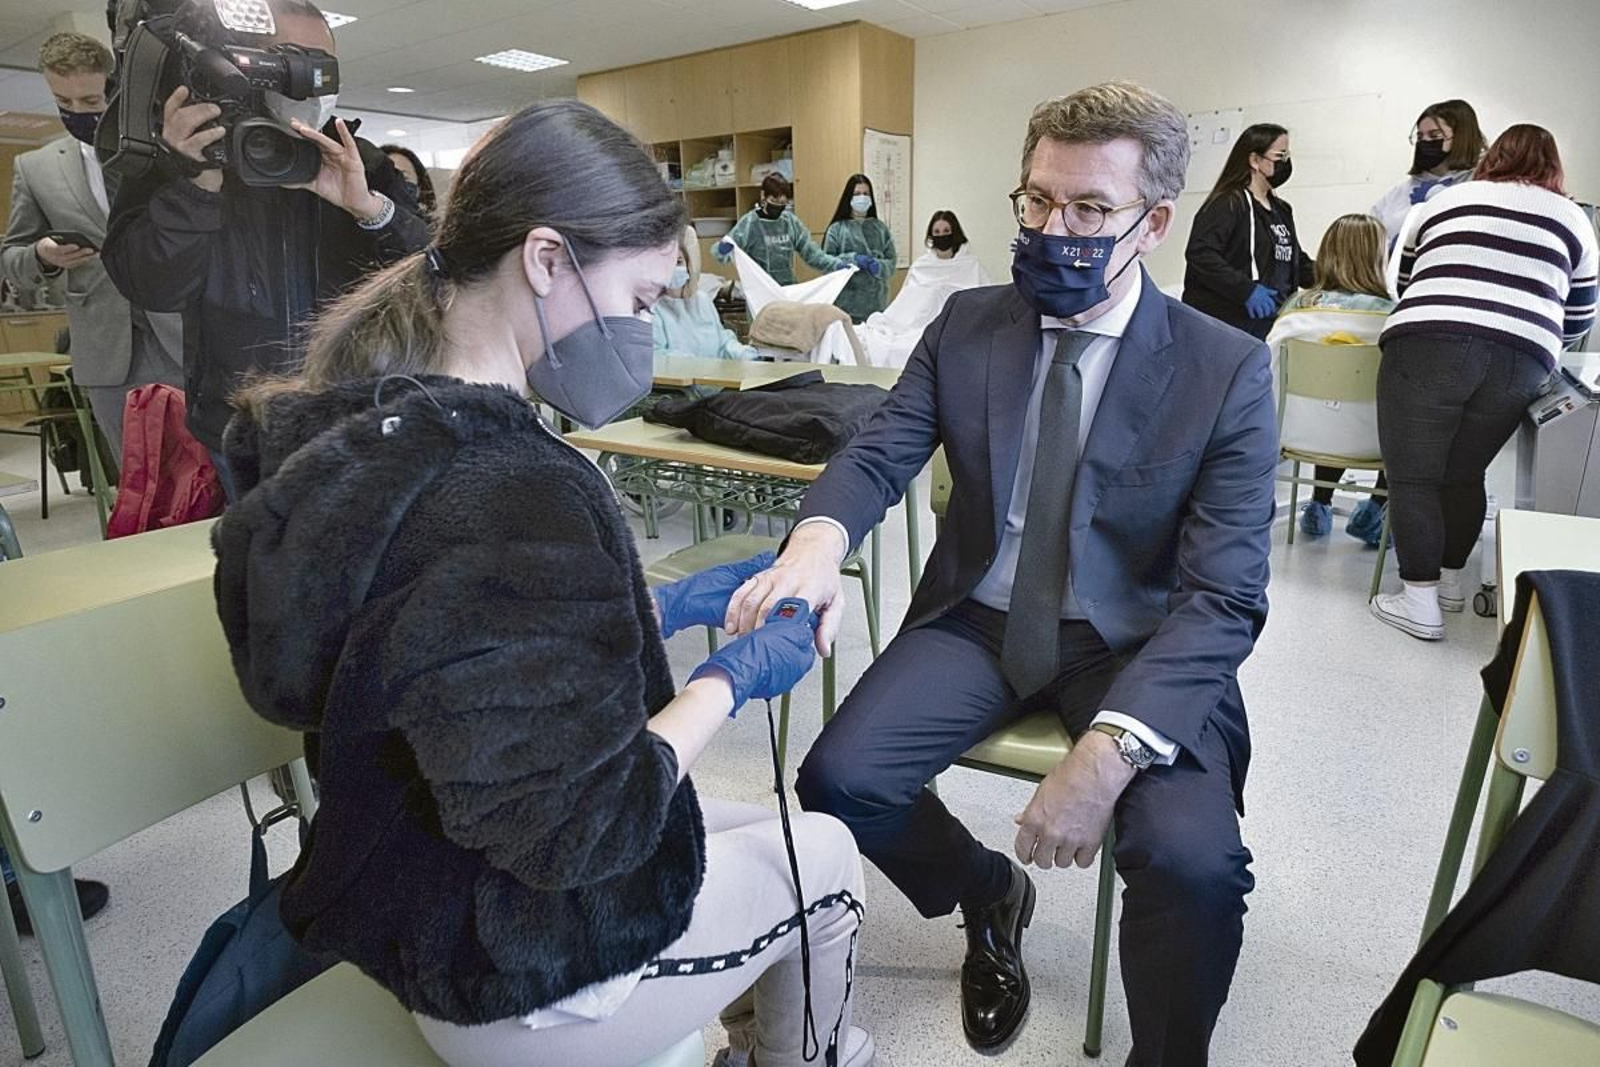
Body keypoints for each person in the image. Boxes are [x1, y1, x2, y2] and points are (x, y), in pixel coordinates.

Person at [211, 98, 871, 1067]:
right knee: (827, 860)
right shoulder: (515, 486)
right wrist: (726, 678)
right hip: (508, 971)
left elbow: (457, 654)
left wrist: (656, 607)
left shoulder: (364, 428)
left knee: (774, 829)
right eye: (642, 299)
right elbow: (580, 825)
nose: (644, 332)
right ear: (549, 259)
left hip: (403, 887)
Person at [728, 82, 1275, 1063]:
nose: (1051, 228)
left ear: (1153, 222)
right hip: (982, 616)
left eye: (1088, 210)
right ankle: (988, 890)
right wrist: (815, 542)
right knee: (837, 778)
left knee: (1191, 860)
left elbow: (1225, 594)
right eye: (1035, 200)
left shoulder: (1221, 367)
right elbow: (877, 448)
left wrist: (1107, 752)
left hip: (1135, 644)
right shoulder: (971, 324)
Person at [102, 0, 427, 500]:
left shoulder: (360, 163)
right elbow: (151, 286)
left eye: (324, 66)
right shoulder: (179, 160)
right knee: (260, 564)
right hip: (241, 426)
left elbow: (432, 276)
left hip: (359, 414)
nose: (308, 79)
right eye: (289, 59)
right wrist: (196, 183)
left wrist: (370, 209)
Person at [1371, 124, 1597, 642]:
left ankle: (1419, 602)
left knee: (1415, 477)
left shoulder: (1448, 200)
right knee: (1464, 475)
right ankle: (1451, 583)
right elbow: (1581, 313)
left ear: (1491, 157)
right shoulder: (1574, 219)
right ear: (1554, 167)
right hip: (1523, 356)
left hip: (1429, 339)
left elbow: (1404, 280)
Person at [0, 32, 184, 459]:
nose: (76, 112)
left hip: (182, 332)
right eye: (63, 102)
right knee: (139, 477)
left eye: (89, 101)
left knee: (212, 468)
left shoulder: (165, 148)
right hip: (106, 349)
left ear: (114, 89)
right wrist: (42, 256)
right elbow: (11, 258)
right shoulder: (35, 167)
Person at [1265, 213, 1395, 543]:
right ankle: (1375, 512)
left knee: (1328, 408)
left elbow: (1266, 377)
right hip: (1373, 443)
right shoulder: (1392, 317)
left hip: (1297, 436)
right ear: (1379, 257)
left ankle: (1318, 506)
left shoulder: (1295, 310)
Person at [1182, 122, 1316, 340]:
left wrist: (1336, 277)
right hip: (1228, 324)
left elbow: (1295, 261)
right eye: (1280, 156)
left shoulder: (1281, 209)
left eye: (1287, 155)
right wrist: (1246, 291)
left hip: (1271, 322)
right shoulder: (1228, 203)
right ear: (1255, 160)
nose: (1286, 163)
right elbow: (1201, 254)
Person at [856, 211, 990, 369]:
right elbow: (906, 297)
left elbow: (983, 300)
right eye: (937, 232)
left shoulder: (971, 266)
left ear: (955, 233)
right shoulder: (921, 266)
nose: (942, 236)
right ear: (931, 237)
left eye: (946, 231)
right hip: (913, 322)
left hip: (950, 326)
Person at [1370, 100, 1487, 245]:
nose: (1425, 142)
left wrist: (1441, 199)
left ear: (1461, 138)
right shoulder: (1399, 193)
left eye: (1435, 136)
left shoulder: (1480, 183)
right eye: (1420, 137)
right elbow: (1370, 236)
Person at [711, 174, 851, 286]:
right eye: (774, 201)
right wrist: (722, 249)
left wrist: (836, 265)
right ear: (763, 196)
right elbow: (721, 252)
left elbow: (812, 254)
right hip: (760, 289)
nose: (778, 206)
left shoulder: (789, 222)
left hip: (787, 287)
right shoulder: (750, 223)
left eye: (783, 203)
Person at [653, 225, 755, 360]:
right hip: (684, 380)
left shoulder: (702, 301)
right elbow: (657, 357)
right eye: (664, 263)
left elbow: (723, 343)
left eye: (678, 262)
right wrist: (698, 366)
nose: (673, 268)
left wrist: (748, 355)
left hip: (714, 379)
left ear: (689, 265)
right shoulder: (651, 309)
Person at [822, 174, 894, 323]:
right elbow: (827, 263)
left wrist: (879, 266)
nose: (862, 198)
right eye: (857, 194)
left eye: (866, 194)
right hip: (844, 307)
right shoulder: (837, 230)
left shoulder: (880, 229)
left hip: (876, 308)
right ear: (849, 197)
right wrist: (852, 259)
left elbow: (891, 262)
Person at [380, 143, 437, 218]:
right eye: (387, 177)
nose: (396, 184)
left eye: (404, 177)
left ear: (420, 187)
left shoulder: (437, 228)